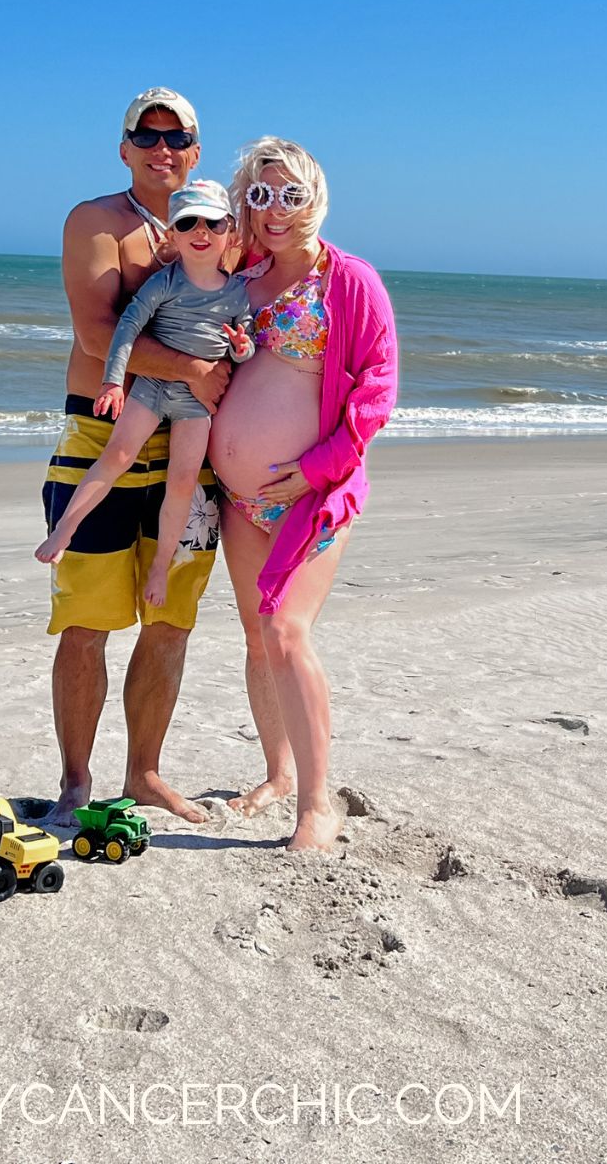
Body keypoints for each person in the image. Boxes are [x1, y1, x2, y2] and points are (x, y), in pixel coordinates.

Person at [42, 89, 229, 826]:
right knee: (86, 621)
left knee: (170, 619)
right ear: (124, 148)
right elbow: (97, 338)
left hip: (191, 450)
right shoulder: (97, 223)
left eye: (176, 136)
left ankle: (145, 775)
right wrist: (191, 372)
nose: (162, 148)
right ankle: (76, 780)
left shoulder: (220, 229)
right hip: (101, 435)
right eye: (145, 136)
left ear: (195, 149)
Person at [208, 137, 399, 851]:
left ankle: (317, 805)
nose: (275, 209)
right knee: (259, 640)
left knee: (288, 632)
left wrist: (318, 468)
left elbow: (376, 393)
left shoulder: (348, 282)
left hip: (313, 495)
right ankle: (277, 773)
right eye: (260, 195)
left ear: (314, 196)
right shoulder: (240, 278)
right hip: (239, 500)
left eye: (290, 194)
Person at [36, 179, 253, 607]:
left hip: (196, 404)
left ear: (229, 230)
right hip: (152, 387)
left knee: (183, 482)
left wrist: (241, 348)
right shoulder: (165, 282)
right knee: (116, 456)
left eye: (212, 223)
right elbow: (125, 329)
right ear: (172, 234)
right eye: (188, 223)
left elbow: (241, 345)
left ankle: (161, 566)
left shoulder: (236, 291)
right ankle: (66, 528)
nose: (201, 232)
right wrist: (113, 382)